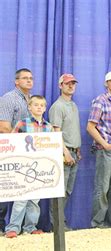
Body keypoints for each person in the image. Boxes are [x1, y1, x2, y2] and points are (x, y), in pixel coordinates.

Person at [5, 95, 53, 238]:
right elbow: (12, 142)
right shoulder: (22, 124)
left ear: (45, 108)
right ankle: (13, 228)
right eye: (36, 105)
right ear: (29, 107)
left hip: (39, 168)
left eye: (41, 105)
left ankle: (30, 227)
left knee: (34, 200)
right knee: (21, 198)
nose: (39, 107)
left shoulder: (48, 127)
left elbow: (51, 147)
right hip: (23, 167)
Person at [87, 71, 111, 228]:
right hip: (105, 149)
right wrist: (104, 143)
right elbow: (90, 126)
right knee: (102, 187)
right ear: (106, 83)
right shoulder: (100, 101)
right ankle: (98, 223)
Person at [0, 68, 34, 235]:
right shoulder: (9, 98)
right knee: (5, 192)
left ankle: (25, 227)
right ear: (16, 81)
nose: (29, 81)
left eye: (31, 78)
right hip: (10, 151)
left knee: (24, 189)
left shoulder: (32, 101)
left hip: (27, 152)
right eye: (25, 78)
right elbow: (4, 128)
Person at [48, 74, 82, 231]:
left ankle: (60, 223)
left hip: (73, 152)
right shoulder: (57, 106)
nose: (71, 86)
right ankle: (57, 225)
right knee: (60, 191)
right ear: (60, 85)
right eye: (67, 83)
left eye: (73, 83)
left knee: (67, 190)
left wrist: (77, 149)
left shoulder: (73, 105)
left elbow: (72, 129)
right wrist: (65, 152)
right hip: (64, 152)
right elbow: (56, 132)